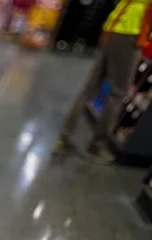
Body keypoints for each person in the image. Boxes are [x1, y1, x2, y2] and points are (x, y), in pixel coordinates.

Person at [56, 0, 150, 164]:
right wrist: (142, 36)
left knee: (91, 87)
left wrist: (108, 28)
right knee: (118, 93)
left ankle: (65, 135)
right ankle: (98, 144)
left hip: (115, 27)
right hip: (130, 33)